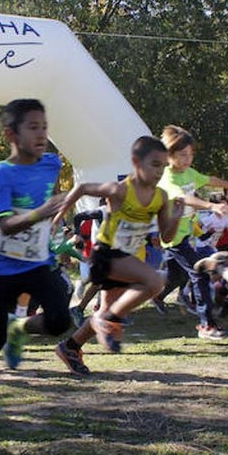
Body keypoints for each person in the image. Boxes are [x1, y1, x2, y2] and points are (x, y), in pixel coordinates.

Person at [0, 99, 70, 414]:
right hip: (1, 268)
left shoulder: (52, 164)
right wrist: (41, 213)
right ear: (11, 134)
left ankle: (20, 328)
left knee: (60, 320)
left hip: (37, 262)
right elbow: (4, 225)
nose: (42, 135)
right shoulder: (1, 175)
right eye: (33, 128)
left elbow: (55, 196)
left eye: (45, 128)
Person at [53, 135, 181, 376]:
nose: (159, 172)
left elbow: (165, 237)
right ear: (136, 162)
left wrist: (174, 218)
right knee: (155, 281)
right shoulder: (120, 190)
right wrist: (60, 217)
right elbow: (81, 187)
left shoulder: (161, 197)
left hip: (128, 259)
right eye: (154, 165)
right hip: (106, 256)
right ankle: (110, 319)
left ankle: (70, 347)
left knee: (104, 316)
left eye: (164, 166)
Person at [158, 126, 228, 340]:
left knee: (173, 276)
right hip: (173, 239)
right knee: (199, 272)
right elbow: (184, 199)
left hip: (185, 237)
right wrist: (211, 206)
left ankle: (153, 292)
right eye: (182, 155)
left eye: (190, 154)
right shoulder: (168, 179)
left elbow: (210, 180)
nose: (188, 159)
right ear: (169, 155)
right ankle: (207, 325)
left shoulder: (189, 173)